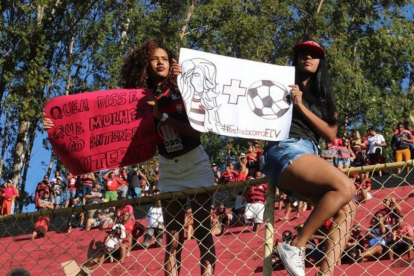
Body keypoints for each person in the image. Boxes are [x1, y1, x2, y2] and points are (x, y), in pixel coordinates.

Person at [120, 39, 216, 275]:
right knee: (173, 237)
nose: (160, 62)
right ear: (145, 65)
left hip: (195, 162)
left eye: (164, 57)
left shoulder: (183, 87)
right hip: (168, 169)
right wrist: (56, 125)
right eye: (154, 58)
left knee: (203, 230)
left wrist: (161, 115)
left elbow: (197, 130)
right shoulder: (137, 98)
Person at [264, 41, 356, 276]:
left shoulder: (324, 98)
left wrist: (301, 105)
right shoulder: (278, 85)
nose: (308, 57)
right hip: (285, 148)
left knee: (348, 209)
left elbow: (330, 133)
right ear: (295, 58)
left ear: (320, 63)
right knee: (346, 186)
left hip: (308, 152)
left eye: (314, 55)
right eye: (303, 53)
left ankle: (325, 274)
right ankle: (296, 244)